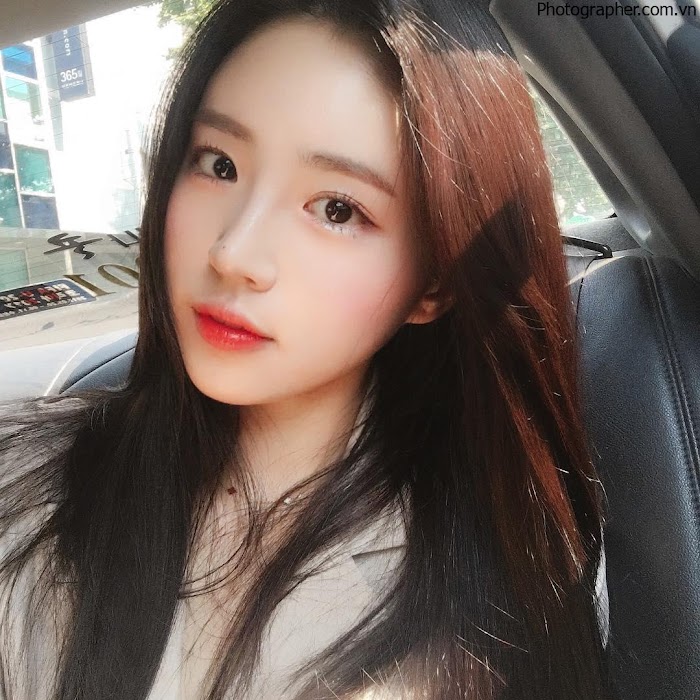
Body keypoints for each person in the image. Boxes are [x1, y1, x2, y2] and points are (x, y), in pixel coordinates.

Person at [0, 0, 612, 698]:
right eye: (219, 164)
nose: (235, 253)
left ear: (434, 283)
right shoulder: (25, 485)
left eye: (337, 209)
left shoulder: (497, 602)